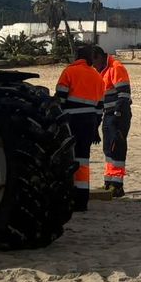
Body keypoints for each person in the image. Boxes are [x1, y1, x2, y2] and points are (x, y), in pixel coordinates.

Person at [55, 43, 107, 211]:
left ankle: (67, 196)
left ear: (77, 57)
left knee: (67, 158)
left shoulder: (69, 72)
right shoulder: (97, 77)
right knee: (83, 160)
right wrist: (95, 130)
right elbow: (100, 108)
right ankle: (81, 199)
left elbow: (60, 100)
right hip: (90, 122)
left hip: (71, 121)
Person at [93, 45, 132, 198]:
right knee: (108, 149)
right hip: (108, 114)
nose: (93, 65)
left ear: (100, 57)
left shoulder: (116, 68)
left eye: (93, 61)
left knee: (117, 148)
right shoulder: (101, 71)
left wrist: (117, 115)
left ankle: (117, 184)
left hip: (119, 115)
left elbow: (124, 94)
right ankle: (109, 182)